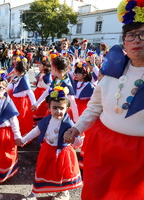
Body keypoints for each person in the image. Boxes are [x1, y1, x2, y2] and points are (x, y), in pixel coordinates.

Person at [64, 1, 144, 198]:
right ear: (124, 40)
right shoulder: (114, 69)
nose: (137, 41)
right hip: (102, 145)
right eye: (131, 35)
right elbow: (95, 106)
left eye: (143, 34)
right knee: (96, 193)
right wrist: (77, 127)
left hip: (137, 155)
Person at [17, 86, 83, 200]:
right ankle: (34, 193)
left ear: (67, 108)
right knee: (41, 170)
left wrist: (73, 140)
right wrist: (23, 140)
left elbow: (78, 143)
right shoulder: (47, 120)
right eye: (55, 108)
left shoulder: (69, 124)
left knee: (61, 173)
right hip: (47, 149)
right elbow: (37, 131)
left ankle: (63, 192)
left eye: (61, 108)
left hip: (62, 153)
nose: (58, 111)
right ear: (49, 107)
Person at [32, 55, 79, 123]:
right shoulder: (57, 79)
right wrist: (37, 104)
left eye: (51, 66)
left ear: (55, 69)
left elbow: (73, 103)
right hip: (54, 110)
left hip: (62, 114)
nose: (50, 68)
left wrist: (76, 122)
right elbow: (48, 91)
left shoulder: (66, 83)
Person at [7, 59, 36, 137]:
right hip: (15, 101)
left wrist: (34, 104)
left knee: (22, 119)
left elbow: (30, 92)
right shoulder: (17, 78)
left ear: (17, 70)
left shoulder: (23, 79)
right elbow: (11, 86)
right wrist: (3, 88)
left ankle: (22, 135)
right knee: (14, 118)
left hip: (22, 103)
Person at [32, 57, 52, 125]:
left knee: (41, 109)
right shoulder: (40, 73)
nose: (39, 66)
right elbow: (39, 82)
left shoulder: (48, 75)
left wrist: (42, 83)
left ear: (45, 67)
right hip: (37, 92)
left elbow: (49, 87)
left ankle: (40, 123)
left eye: (40, 65)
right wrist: (36, 82)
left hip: (43, 93)